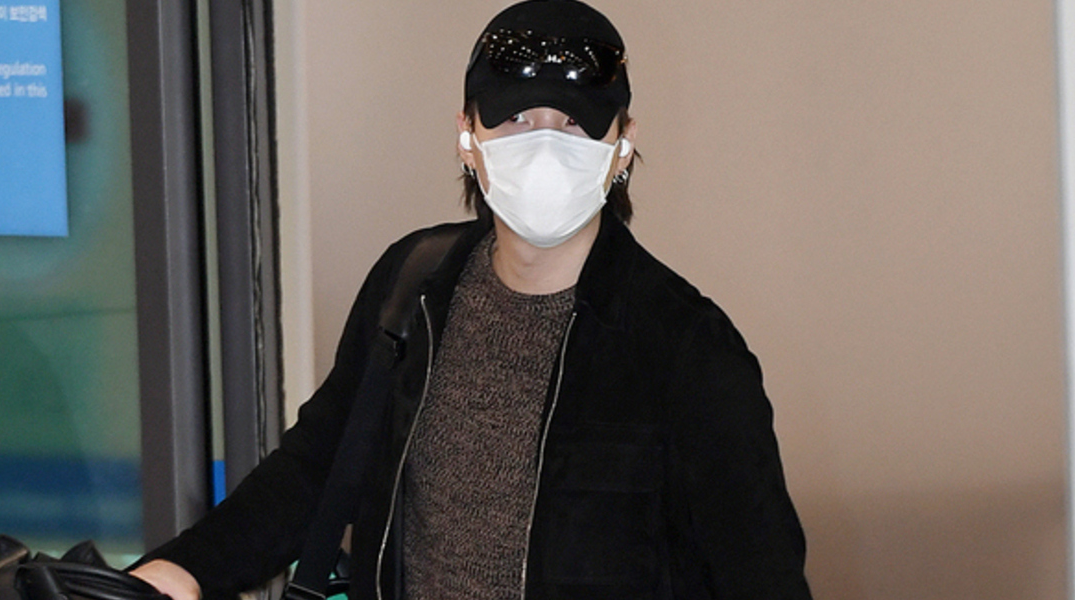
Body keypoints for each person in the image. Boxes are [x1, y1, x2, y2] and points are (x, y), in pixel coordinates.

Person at [130, 1, 813, 598]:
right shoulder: (411, 286)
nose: (544, 145)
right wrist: (186, 568)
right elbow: (315, 468)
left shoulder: (687, 350)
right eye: (516, 117)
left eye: (574, 124)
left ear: (622, 145)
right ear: (467, 136)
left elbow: (760, 576)